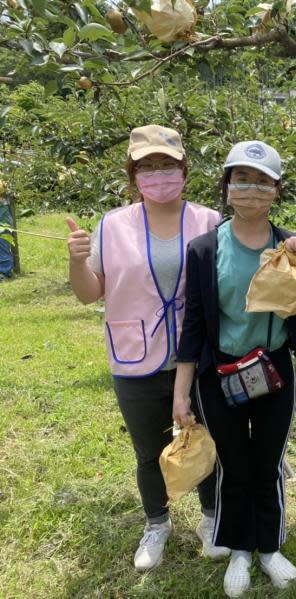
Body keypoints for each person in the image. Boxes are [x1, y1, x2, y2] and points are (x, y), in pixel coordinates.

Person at [172, 140, 296, 598]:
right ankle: (239, 549)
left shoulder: (288, 245)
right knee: (233, 464)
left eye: (262, 182)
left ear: (277, 191)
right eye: (241, 179)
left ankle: (269, 547)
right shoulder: (205, 249)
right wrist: (182, 393)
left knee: (268, 462)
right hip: (219, 373)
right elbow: (195, 325)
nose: (251, 190)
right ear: (226, 187)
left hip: (272, 371)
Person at [65, 125, 227, 571]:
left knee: (208, 440)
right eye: (148, 167)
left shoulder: (209, 220)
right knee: (147, 449)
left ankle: (212, 519)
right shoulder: (113, 225)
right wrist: (77, 261)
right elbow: (88, 292)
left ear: (184, 171)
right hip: (135, 354)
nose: (159, 175)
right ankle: (157, 524)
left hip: (200, 355)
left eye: (168, 165)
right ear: (133, 174)